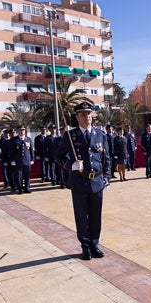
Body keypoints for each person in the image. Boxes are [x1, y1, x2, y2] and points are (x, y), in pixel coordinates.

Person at [55, 101, 111, 260]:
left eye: (89, 113)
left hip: (97, 181)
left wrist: (106, 177)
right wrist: (70, 165)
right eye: (83, 114)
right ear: (77, 116)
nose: (87, 116)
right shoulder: (70, 136)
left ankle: (95, 244)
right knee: (81, 216)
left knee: (95, 216)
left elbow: (105, 158)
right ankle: (85, 246)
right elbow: (58, 157)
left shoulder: (100, 135)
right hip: (79, 181)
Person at [11, 126, 34, 193]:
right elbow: (11, 151)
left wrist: (32, 159)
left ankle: (27, 188)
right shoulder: (14, 140)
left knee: (27, 175)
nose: (22, 131)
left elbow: (31, 150)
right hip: (18, 161)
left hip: (27, 160)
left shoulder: (28, 139)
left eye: (23, 130)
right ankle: (20, 188)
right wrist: (12, 160)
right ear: (18, 131)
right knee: (19, 176)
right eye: (20, 130)